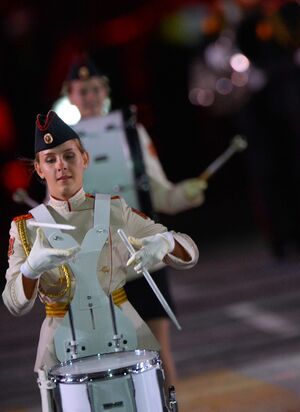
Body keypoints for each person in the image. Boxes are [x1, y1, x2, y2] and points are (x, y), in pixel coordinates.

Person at [2, 110, 199, 409]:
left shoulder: (115, 210)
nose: (61, 166)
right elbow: (13, 302)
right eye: (50, 160)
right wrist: (31, 269)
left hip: (127, 341)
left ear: (84, 158)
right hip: (63, 355)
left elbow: (189, 251)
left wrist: (165, 242)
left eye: (69, 155)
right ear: (39, 170)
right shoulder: (26, 228)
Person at [61, 55, 207, 388]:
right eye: (83, 90)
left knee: (157, 348)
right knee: (113, 357)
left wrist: (188, 193)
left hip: (144, 255)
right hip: (96, 265)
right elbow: (57, 206)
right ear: (71, 95)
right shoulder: (62, 144)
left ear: (106, 91)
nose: (90, 96)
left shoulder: (131, 131)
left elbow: (161, 193)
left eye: (96, 88)